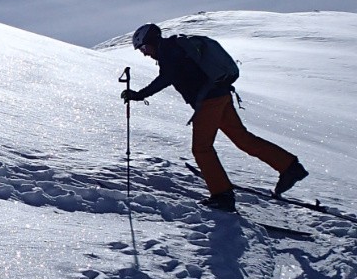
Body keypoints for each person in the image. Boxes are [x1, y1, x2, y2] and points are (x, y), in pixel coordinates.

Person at [121, 23, 308, 211]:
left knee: (201, 148)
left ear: (152, 41)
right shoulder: (174, 48)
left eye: (144, 48)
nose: (144, 53)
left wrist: (139, 94)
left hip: (209, 101)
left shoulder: (169, 51)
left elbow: (166, 78)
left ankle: (222, 195)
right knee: (242, 138)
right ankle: (289, 166)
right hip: (220, 95)